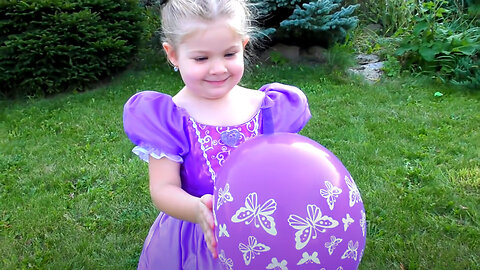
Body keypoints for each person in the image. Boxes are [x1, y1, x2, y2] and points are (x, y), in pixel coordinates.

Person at [123, 0, 311, 269]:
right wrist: (198, 211)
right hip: (197, 239)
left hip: (263, 229)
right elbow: (163, 189)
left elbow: (288, 171)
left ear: (243, 47)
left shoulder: (269, 109)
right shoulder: (169, 119)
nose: (218, 68)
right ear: (173, 54)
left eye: (229, 54)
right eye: (201, 58)